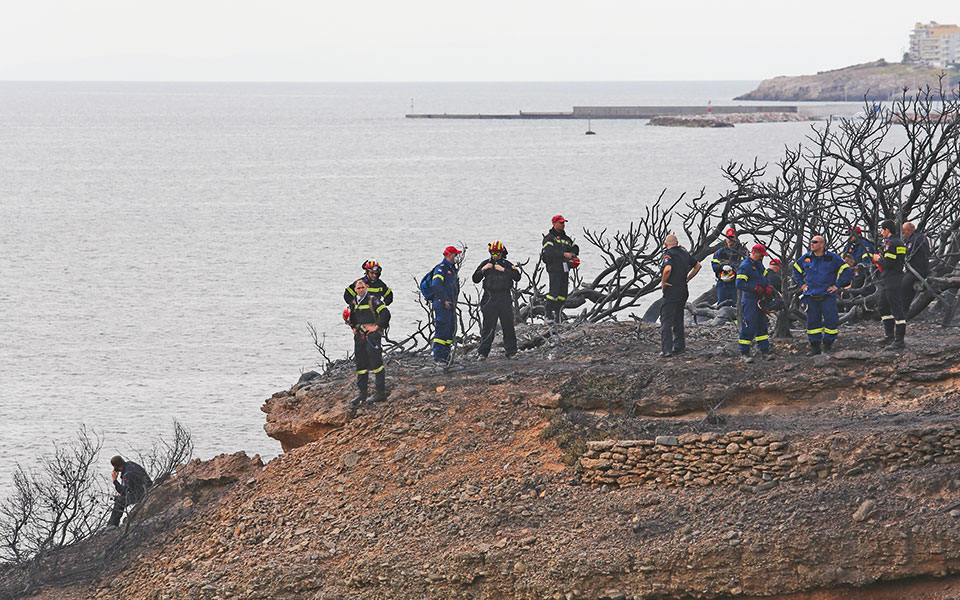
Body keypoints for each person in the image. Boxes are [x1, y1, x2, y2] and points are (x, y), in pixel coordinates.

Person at [792, 235, 853, 355]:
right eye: (811, 242)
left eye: (814, 242)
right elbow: (796, 269)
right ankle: (815, 347)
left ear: (822, 244)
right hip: (811, 296)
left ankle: (828, 345)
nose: (811, 244)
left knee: (831, 321)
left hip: (827, 295)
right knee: (812, 323)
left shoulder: (832, 258)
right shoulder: (806, 258)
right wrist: (802, 285)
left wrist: (837, 285)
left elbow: (846, 270)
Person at [472, 241, 522, 360]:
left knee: (508, 325)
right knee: (488, 327)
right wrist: (483, 269)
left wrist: (504, 270)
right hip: (489, 298)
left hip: (504, 297)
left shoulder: (508, 264)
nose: (495, 256)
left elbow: (517, 276)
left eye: (498, 253)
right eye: (493, 253)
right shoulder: (485, 263)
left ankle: (511, 351)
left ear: (502, 253)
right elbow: (475, 278)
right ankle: (483, 353)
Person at [347, 278, 390, 404]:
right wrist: (354, 327)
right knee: (361, 364)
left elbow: (385, 313)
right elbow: (351, 317)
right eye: (358, 288)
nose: (360, 290)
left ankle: (380, 392)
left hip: (372, 336)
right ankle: (362, 393)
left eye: (362, 288)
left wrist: (377, 327)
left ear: (366, 287)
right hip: (360, 336)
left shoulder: (373, 300)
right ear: (355, 290)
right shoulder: (354, 302)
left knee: (376, 362)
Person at [659, 234, 701, 358]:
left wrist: (663, 282)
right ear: (677, 243)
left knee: (666, 319)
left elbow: (667, 269)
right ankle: (679, 346)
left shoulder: (668, 255)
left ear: (666, 244)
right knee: (678, 317)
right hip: (683, 289)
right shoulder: (684, 253)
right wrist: (687, 278)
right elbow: (698, 266)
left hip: (672, 289)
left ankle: (666, 350)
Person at [735, 243, 775, 363]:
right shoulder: (745, 266)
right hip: (750, 300)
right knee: (749, 324)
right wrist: (754, 288)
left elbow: (766, 277)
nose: (762, 258)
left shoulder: (759, 265)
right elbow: (739, 284)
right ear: (754, 253)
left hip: (760, 299)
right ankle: (744, 352)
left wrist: (768, 287)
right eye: (761, 255)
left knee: (762, 325)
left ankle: (764, 351)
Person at [872, 220, 908, 350]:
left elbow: (889, 263)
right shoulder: (899, 242)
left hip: (893, 280)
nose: (881, 233)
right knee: (883, 306)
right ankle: (889, 336)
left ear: (887, 230)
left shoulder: (891, 243)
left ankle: (899, 341)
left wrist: (878, 259)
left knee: (897, 310)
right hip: (889, 279)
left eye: (882, 230)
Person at [541, 215, 580, 324]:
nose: (563, 225)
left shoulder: (566, 238)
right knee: (554, 292)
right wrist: (563, 254)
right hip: (554, 268)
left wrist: (572, 254)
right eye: (561, 222)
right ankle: (548, 315)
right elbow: (549, 252)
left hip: (565, 268)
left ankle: (558, 315)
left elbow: (576, 247)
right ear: (554, 224)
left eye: (564, 223)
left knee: (563, 294)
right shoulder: (549, 238)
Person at [430, 246, 462, 365]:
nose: (456, 257)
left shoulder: (453, 269)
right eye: (455, 255)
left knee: (450, 330)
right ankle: (439, 358)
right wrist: (444, 300)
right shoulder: (441, 269)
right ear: (449, 255)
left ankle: (446, 357)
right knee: (442, 330)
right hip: (442, 304)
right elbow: (436, 285)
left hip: (451, 304)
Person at [108, 455, 152, 527]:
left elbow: (122, 491)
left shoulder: (127, 474)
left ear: (115, 466)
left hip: (142, 493)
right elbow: (131, 485)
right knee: (122, 497)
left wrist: (115, 480)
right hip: (148, 487)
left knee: (119, 501)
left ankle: (112, 525)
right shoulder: (131, 464)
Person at [711, 228, 746, 308]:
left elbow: (744, 266)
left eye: (732, 237)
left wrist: (733, 267)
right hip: (723, 284)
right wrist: (723, 266)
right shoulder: (720, 252)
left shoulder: (742, 251)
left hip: (736, 284)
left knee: (737, 306)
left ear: (736, 238)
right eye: (728, 237)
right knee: (721, 306)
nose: (730, 240)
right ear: (725, 239)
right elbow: (715, 266)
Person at [901, 222, 930, 310]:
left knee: (903, 286)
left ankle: (904, 309)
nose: (903, 235)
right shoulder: (921, 237)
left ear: (909, 230)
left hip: (917, 270)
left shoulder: (914, 239)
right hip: (921, 269)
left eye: (904, 232)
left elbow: (909, 254)